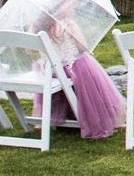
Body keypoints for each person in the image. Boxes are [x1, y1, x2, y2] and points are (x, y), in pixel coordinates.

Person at [36, 9, 123, 140]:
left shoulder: (37, 25)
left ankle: (64, 116)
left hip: (50, 72)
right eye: (73, 5)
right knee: (90, 75)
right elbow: (82, 48)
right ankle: (95, 119)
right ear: (62, 7)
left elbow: (29, 51)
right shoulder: (69, 24)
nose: (75, 9)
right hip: (71, 68)